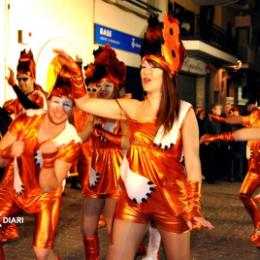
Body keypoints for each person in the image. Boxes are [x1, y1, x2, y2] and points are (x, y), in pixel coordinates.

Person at [56, 14, 213, 260]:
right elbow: (85, 103)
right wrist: (77, 74)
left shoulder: (184, 112)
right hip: (133, 196)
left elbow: (193, 163)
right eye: (143, 66)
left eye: (153, 66)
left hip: (172, 200)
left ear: (169, 72)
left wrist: (193, 205)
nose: (145, 71)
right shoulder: (131, 107)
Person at [0, 56, 82, 260]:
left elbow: (49, 186)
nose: (59, 108)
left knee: (42, 251)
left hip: (45, 195)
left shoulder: (70, 140)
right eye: (56, 101)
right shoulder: (26, 119)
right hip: (15, 183)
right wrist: (8, 152)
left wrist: (49, 160)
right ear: (49, 99)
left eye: (67, 104)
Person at [74, 44, 129, 259]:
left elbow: (127, 142)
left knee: (113, 229)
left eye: (109, 84)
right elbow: (81, 138)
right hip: (95, 169)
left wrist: (107, 135)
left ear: (116, 87)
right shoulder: (93, 109)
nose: (104, 88)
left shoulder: (123, 109)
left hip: (115, 170)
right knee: (87, 227)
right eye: (101, 84)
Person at [201, 104, 260, 247]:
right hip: (255, 168)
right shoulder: (256, 115)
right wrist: (220, 119)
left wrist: (214, 137)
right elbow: (239, 119)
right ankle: (258, 227)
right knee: (244, 194)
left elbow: (241, 135)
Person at [4, 49, 47, 118]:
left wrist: (14, 85)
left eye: (25, 79)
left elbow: (32, 110)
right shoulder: (15, 102)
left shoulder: (38, 97)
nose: (21, 82)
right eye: (19, 79)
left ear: (33, 79)